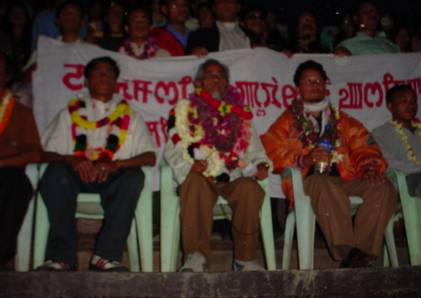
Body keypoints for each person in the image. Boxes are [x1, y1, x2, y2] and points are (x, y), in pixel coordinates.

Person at [262, 60, 397, 268]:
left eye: (318, 80)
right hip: (308, 183)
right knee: (322, 183)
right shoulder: (287, 121)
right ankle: (346, 251)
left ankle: (361, 255)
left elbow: (365, 147)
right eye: (308, 81)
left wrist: (370, 168)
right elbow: (270, 149)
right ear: (299, 88)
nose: (314, 84)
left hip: (345, 180)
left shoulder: (343, 120)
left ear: (326, 84)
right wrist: (303, 159)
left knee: (382, 186)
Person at [37, 57, 157, 271]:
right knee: (55, 173)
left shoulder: (131, 116)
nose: (103, 77)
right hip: (74, 174)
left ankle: (105, 257)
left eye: (109, 73)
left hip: (112, 176)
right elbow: (44, 154)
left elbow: (149, 157)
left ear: (115, 81)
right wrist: (72, 159)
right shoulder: (68, 114)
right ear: (87, 81)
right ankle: (62, 257)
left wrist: (116, 164)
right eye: (97, 73)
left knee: (134, 176)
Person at [163, 59, 272, 272]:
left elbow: (256, 150)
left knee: (250, 188)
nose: (215, 78)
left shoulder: (240, 114)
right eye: (210, 74)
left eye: (220, 75)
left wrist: (261, 165)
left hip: (232, 176)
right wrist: (188, 165)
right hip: (200, 175)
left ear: (227, 83)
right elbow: (172, 149)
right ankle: (196, 256)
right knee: (192, 181)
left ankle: (245, 258)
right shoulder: (185, 111)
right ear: (199, 83)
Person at [372, 84, 421, 264]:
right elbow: (390, 163)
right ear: (390, 106)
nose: (410, 105)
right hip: (403, 184)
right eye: (403, 101)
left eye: (413, 101)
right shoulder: (380, 133)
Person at [0, 52, 42, 271]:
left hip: (5, 172)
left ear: (6, 76)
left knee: (17, 184)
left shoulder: (21, 113)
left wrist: (4, 163)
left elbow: (35, 153)